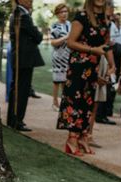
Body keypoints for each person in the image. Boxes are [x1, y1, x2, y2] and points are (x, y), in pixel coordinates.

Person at [56, 0, 115, 155]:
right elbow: (70, 42)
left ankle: (83, 137)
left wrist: (112, 65)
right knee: (75, 100)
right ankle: (72, 139)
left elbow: (106, 44)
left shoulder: (105, 19)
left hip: (93, 67)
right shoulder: (81, 16)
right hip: (78, 66)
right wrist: (92, 49)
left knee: (88, 102)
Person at [7, 0, 45, 131]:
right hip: (24, 59)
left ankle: (14, 119)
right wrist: (37, 33)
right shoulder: (21, 15)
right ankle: (17, 120)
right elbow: (38, 36)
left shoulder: (20, 14)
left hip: (22, 58)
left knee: (18, 89)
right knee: (21, 90)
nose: (31, 1)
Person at [50, 3, 72, 110]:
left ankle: (64, 101)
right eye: (62, 12)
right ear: (57, 14)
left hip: (68, 55)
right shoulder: (55, 26)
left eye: (66, 11)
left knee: (65, 79)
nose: (64, 14)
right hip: (58, 56)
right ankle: (55, 102)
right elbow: (53, 42)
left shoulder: (70, 24)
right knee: (57, 80)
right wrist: (66, 37)